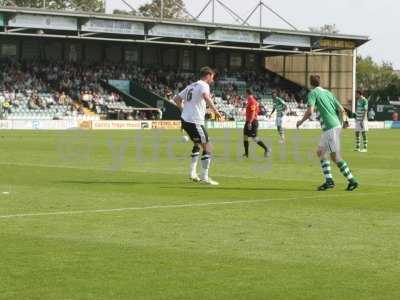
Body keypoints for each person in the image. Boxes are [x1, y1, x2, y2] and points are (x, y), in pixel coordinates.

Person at [296, 75, 359, 191]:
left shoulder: (313, 93)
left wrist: (300, 121)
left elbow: (310, 111)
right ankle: (329, 180)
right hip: (332, 127)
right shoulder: (328, 93)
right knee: (320, 152)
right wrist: (345, 121)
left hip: (330, 128)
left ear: (310, 83)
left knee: (335, 157)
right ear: (320, 82)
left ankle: (352, 180)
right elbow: (341, 109)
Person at [173, 66, 222, 185]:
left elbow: (176, 99)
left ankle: (192, 173)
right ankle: (204, 176)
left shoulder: (191, 85)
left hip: (186, 120)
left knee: (197, 144)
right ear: (208, 75)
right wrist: (216, 111)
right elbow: (206, 97)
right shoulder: (204, 85)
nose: (213, 80)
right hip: (195, 121)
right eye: (212, 77)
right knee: (208, 147)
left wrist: (183, 111)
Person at [243, 89, 270, 158]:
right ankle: (246, 154)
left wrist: (250, 122)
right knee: (245, 137)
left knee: (254, 138)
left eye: (245, 93)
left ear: (247, 93)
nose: (244, 94)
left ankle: (267, 149)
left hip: (252, 122)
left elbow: (253, 113)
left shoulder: (252, 101)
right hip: (249, 121)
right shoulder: (251, 101)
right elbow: (256, 111)